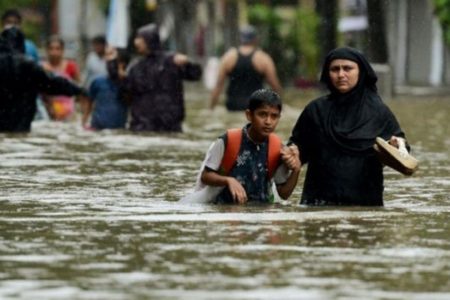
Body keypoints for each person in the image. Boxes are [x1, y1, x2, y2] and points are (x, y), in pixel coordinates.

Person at [288, 47, 410, 206]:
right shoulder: (315, 110)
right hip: (318, 205)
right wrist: (291, 152)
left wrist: (395, 145)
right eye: (335, 69)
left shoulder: (378, 112)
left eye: (347, 68)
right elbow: (297, 150)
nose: (340, 74)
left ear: (360, 72)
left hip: (365, 208)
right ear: (327, 73)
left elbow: (404, 154)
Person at [186, 89, 300, 204]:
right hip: (225, 210)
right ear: (249, 115)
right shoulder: (228, 141)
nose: (268, 121)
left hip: (261, 213)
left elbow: (284, 194)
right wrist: (228, 180)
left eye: (274, 116)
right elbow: (205, 176)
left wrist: (296, 169)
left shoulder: (277, 149)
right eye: (262, 114)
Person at [0, 27, 85, 132]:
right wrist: (78, 90)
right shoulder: (28, 65)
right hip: (20, 126)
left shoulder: (26, 65)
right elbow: (51, 84)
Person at [124, 23, 202, 132]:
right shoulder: (135, 67)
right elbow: (125, 94)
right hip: (142, 125)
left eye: (139, 38)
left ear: (149, 40)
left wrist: (188, 63)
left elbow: (196, 75)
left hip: (170, 125)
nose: (136, 42)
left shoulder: (172, 61)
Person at [209, 25, 282, 111]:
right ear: (255, 40)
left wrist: (211, 108)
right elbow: (275, 86)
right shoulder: (264, 59)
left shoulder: (228, 57)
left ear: (240, 39)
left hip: (233, 106)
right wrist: (280, 107)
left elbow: (218, 86)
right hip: (256, 107)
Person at [81, 47, 130, 130]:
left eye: (113, 62)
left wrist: (124, 80)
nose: (109, 65)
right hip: (96, 129)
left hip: (118, 130)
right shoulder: (97, 82)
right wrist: (84, 122)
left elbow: (130, 101)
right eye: (108, 62)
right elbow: (88, 103)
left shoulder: (129, 83)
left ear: (123, 64)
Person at [42, 35, 81, 121]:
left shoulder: (71, 66)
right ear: (47, 50)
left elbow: (79, 89)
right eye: (51, 48)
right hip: (47, 113)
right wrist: (49, 107)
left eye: (57, 48)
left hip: (69, 112)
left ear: (62, 50)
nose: (54, 52)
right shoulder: (42, 68)